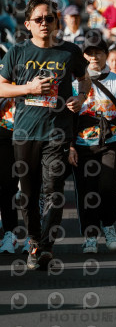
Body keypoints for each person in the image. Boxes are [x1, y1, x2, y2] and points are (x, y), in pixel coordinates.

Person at [0, 0, 90, 270]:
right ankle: (33, 239)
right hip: (25, 133)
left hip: (57, 133)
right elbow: (1, 87)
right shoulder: (17, 52)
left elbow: (84, 79)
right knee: (28, 194)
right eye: (38, 19)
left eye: (49, 18)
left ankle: (45, 246)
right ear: (28, 24)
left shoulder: (69, 51)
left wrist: (81, 98)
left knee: (54, 190)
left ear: (56, 23)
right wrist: (28, 89)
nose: (44, 23)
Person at [69, 37, 116, 253]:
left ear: (106, 55)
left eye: (98, 52)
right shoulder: (73, 84)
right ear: (83, 57)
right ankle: (90, 236)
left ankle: (108, 225)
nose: (94, 57)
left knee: (107, 187)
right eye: (89, 53)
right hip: (82, 145)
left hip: (112, 143)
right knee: (87, 191)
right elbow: (68, 119)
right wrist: (70, 146)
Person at [0, 44, 19, 254]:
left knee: (34, 189)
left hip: (32, 135)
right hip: (4, 135)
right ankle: (10, 234)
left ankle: (35, 239)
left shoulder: (33, 73)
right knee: (7, 187)